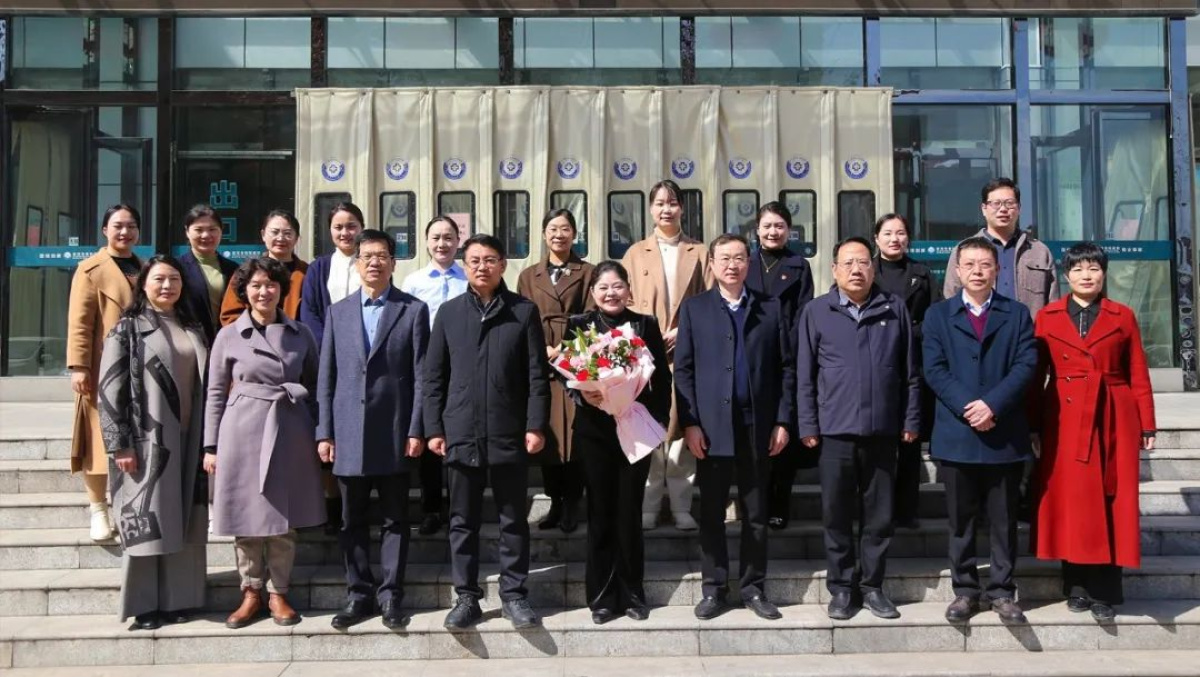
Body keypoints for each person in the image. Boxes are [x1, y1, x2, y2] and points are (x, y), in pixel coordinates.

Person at [423, 234, 550, 631]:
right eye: (475, 260)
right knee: (462, 520)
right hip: (461, 430)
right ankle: (466, 597)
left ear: (503, 265)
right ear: (464, 266)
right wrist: (434, 427)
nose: (482, 266)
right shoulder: (448, 313)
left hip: (509, 430)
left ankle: (514, 595)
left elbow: (537, 376)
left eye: (490, 259)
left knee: (513, 518)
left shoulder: (523, 312)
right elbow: (433, 377)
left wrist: (535, 424)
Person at [795, 236, 920, 621]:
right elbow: (804, 375)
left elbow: (910, 373)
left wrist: (910, 419)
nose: (856, 269)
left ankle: (872, 586)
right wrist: (807, 423)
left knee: (879, 516)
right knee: (836, 514)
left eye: (863, 262)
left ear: (873, 268)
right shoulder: (817, 311)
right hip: (834, 431)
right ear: (834, 269)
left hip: (882, 431)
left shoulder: (893, 308)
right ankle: (841, 588)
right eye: (848, 263)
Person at [1031, 242, 1157, 621]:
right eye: (1078, 269)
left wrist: (1147, 423)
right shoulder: (1048, 316)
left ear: (1104, 273)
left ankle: (1106, 590)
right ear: (1065, 275)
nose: (1086, 276)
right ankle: (1076, 585)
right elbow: (1036, 376)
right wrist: (1033, 424)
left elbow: (1138, 371)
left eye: (1094, 268)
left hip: (1114, 413)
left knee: (1111, 498)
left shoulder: (1123, 315)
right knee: (1072, 501)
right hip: (1064, 418)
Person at [675, 234, 795, 621]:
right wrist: (690, 423)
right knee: (711, 512)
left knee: (756, 513)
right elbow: (684, 371)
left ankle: (753, 588)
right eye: (724, 258)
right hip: (711, 428)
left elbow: (786, 369)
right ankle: (714, 589)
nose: (732, 265)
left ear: (749, 263)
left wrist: (782, 420)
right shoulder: (695, 309)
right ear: (711, 264)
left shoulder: (770, 307)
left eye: (740, 258)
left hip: (757, 424)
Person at [317, 230, 429, 631]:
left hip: (395, 430)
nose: (374, 263)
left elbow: (421, 376)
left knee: (396, 518)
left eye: (382, 256)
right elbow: (326, 377)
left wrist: (416, 428)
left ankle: (391, 595)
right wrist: (324, 432)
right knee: (352, 519)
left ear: (393, 263)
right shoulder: (338, 312)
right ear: (357, 263)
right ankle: (358, 593)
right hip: (348, 432)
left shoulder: (413, 310)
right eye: (367, 256)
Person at [205, 257, 326, 629]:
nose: (264, 292)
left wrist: (320, 432)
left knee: (282, 515)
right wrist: (210, 446)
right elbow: (215, 393)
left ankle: (279, 591)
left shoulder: (300, 333)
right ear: (244, 291)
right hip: (241, 430)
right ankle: (251, 590)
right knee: (246, 514)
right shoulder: (228, 335)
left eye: (271, 284)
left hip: (289, 426)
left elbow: (316, 385)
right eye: (256, 285)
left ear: (281, 289)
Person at [922, 236, 1037, 625]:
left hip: (1003, 433)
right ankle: (965, 591)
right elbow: (934, 369)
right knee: (961, 520)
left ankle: (1002, 591)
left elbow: (1025, 364)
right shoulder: (938, 315)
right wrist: (970, 408)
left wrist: (993, 405)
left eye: (985, 264)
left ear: (997, 270)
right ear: (957, 270)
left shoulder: (1017, 314)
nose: (977, 271)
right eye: (969, 264)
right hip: (957, 434)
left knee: (1004, 520)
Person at [97, 255, 209, 631]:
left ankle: (180, 599)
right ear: (143, 284)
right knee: (147, 517)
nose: (167, 286)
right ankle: (145, 605)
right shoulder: (127, 328)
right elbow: (110, 389)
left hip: (190, 439)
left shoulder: (192, 326)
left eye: (174, 279)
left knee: (186, 518)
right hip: (148, 440)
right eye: (159, 279)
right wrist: (120, 445)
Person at [565, 261, 671, 624]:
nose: (611, 293)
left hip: (635, 429)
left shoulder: (645, 325)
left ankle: (632, 593)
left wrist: (657, 420)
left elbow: (661, 378)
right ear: (593, 292)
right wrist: (585, 395)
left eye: (617, 286)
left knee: (629, 511)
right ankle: (600, 596)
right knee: (600, 512)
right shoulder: (580, 324)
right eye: (603, 287)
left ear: (628, 288)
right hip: (595, 432)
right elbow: (568, 374)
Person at [620, 179, 710, 531]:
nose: (666, 209)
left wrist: (684, 330)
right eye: (659, 203)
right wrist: (649, 334)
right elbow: (624, 301)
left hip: (686, 350)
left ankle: (681, 504)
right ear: (651, 209)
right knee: (648, 425)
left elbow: (710, 299)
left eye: (672, 203)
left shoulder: (699, 251)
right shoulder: (635, 252)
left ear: (682, 208)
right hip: (645, 352)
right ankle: (650, 503)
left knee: (682, 428)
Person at [67, 204, 143, 542]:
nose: (125, 232)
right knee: (98, 442)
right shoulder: (90, 269)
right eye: (118, 226)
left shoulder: (145, 267)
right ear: (105, 230)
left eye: (131, 226)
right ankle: (98, 508)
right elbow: (80, 323)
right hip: (102, 368)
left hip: (140, 369)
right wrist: (79, 366)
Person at [517, 209, 596, 534]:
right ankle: (555, 501)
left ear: (574, 234)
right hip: (541, 362)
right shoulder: (529, 275)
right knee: (549, 437)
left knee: (574, 437)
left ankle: (573, 502)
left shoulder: (587, 271)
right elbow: (522, 316)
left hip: (576, 364)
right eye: (552, 229)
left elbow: (592, 317)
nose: (559, 235)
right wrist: (542, 349)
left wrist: (566, 351)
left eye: (565, 229)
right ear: (543, 234)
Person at [744, 201, 814, 530]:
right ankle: (754, 503)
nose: (773, 232)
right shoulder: (745, 262)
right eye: (767, 226)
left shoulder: (798, 265)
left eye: (779, 226)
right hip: (751, 355)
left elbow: (803, 312)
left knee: (784, 432)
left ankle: (779, 503)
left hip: (787, 357)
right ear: (757, 230)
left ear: (789, 230)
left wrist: (794, 350)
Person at [871, 213, 941, 529]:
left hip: (914, 364)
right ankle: (880, 510)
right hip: (875, 363)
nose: (894, 239)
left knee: (910, 441)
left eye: (900, 233)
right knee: (879, 443)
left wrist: (912, 332)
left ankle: (907, 510)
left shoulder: (921, 273)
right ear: (876, 238)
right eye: (887, 233)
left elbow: (936, 315)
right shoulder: (866, 271)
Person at [401, 215, 469, 536]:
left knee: (459, 436)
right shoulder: (413, 282)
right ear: (426, 242)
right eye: (436, 238)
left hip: (463, 367)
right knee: (431, 435)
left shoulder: (468, 278)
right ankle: (431, 509)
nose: (442, 244)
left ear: (458, 241)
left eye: (448, 237)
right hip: (428, 369)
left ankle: (458, 508)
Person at [943, 177, 1059, 317]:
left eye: (1009, 203)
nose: (1003, 209)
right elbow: (951, 297)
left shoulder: (1039, 251)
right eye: (996, 204)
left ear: (1019, 208)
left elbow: (1053, 304)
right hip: (979, 329)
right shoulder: (964, 250)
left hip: (1028, 329)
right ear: (984, 209)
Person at [219, 210, 308, 326]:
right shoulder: (248, 271)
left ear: (296, 238)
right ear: (263, 235)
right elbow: (230, 315)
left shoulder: (308, 273)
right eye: (274, 232)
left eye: (287, 233)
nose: (280, 238)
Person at [299, 201, 365, 348]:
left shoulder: (373, 266)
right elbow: (309, 312)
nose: (345, 233)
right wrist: (326, 347)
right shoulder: (318, 268)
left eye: (351, 226)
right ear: (330, 230)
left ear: (362, 228)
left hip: (364, 347)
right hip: (326, 348)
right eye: (338, 227)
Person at [176, 204, 238, 345]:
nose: (206, 235)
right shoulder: (176, 268)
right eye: (198, 230)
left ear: (221, 231)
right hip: (189, 343)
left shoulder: (233, 269)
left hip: (227, 342)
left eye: (212, 229)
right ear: (187, 232)